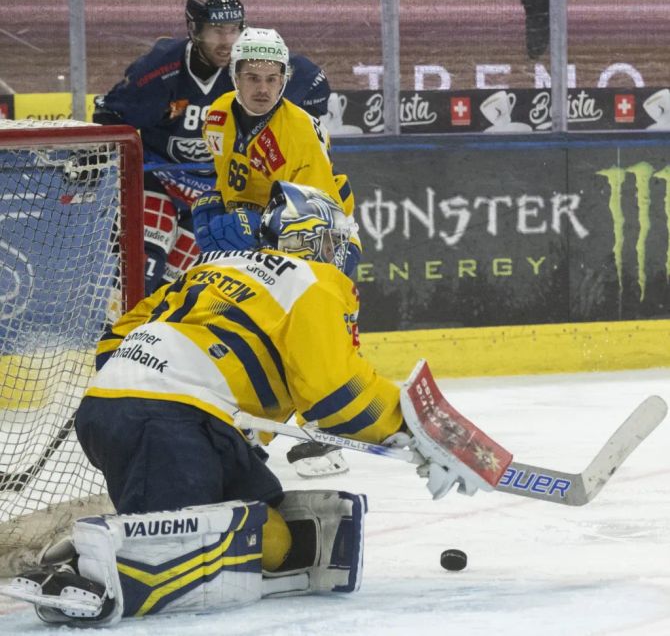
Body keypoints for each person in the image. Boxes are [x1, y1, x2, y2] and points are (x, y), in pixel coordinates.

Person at [3, 183, 489, 627]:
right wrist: (407, 426)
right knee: (175, 550)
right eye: (337, 244)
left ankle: (99, 551)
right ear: (319, 241)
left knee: (274, 539)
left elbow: (114, 341)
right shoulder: (314, 282)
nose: (341, 256)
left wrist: (179, 382)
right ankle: (82, 574)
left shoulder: (214, 265)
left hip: (143, 413)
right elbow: (336, 395)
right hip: (169, 422)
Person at [93, 0, 331, 295]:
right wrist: (92, 161)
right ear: (193, 29)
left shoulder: (250, 67)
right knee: (143, 264)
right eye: (216, 31)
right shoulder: (159, 68)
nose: (227, 41)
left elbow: (314, 83)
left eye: (234, 30)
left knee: (175, 287)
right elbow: (110, 113)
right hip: (158, 178)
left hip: (213, 191)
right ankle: (116, 337)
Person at [193, 26, 360, 278]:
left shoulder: (299, 135)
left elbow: (321, 226)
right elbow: (229, 172)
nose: (263, 89)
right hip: (262, 227)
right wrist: (219, 201)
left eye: (271, 79)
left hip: (328, 239)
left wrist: (258, 231)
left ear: (283, 80)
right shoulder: (218, 114)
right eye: (252, 78)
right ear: (235, 77)